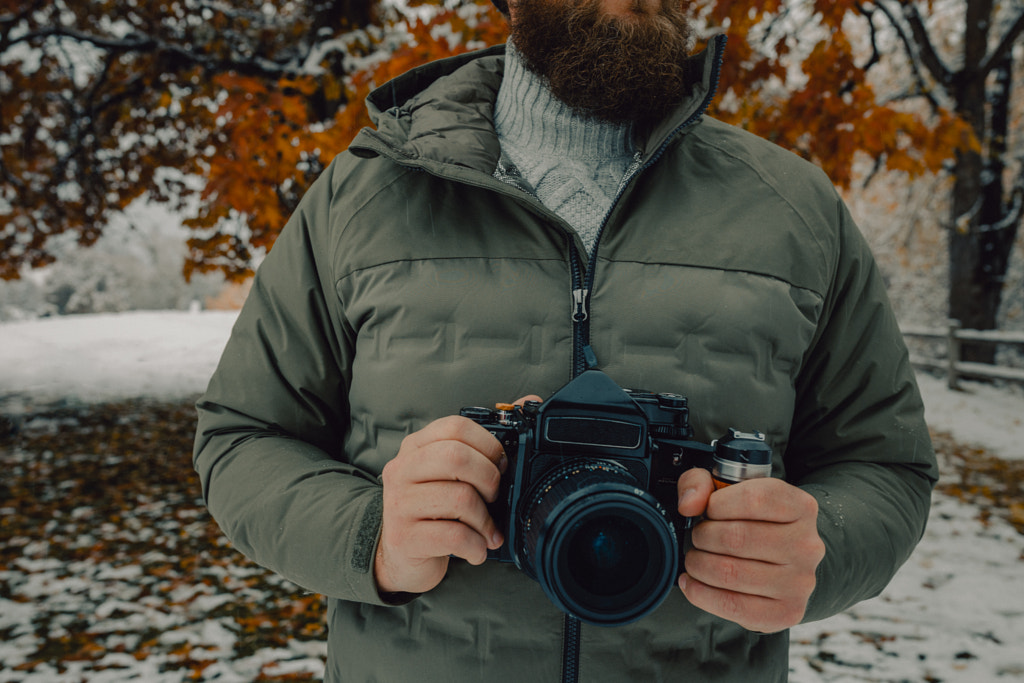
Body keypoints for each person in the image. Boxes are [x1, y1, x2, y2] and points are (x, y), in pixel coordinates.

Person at [193, 0, 938, 679]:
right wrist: (372, 536)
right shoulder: (363, 196)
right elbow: (242, 435)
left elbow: (884, 461)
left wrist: (823, 546)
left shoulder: (795, 208)